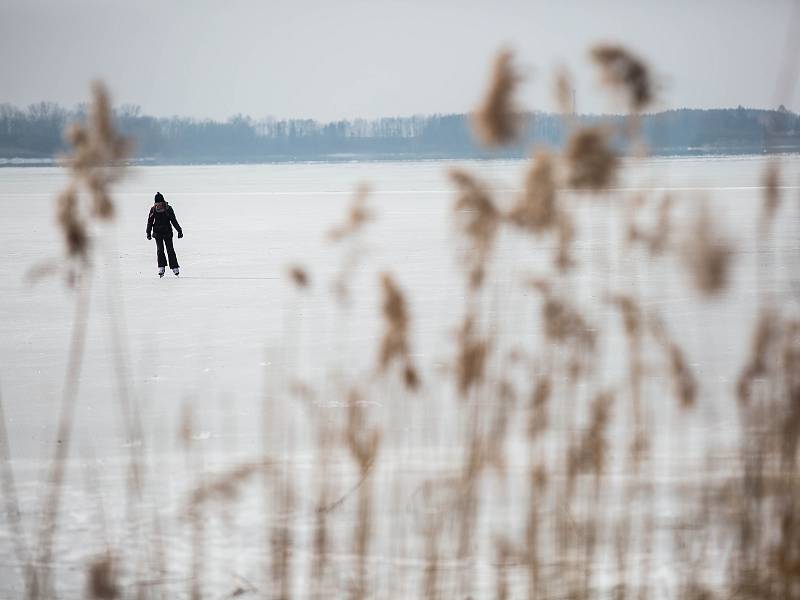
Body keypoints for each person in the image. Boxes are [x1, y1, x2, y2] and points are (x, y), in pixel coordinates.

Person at [146, 192, 183, 277]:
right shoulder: (153, 209)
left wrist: (179, 230)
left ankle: (173, 268)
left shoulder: (168, 209)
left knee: (167, 250)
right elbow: (150, 221)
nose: (158, 204)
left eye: (159, 202)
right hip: (159, 233)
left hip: (166, 233)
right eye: (157, 202)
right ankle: (162, 267)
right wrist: (148, 232)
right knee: (161, 250)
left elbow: (173, 220)